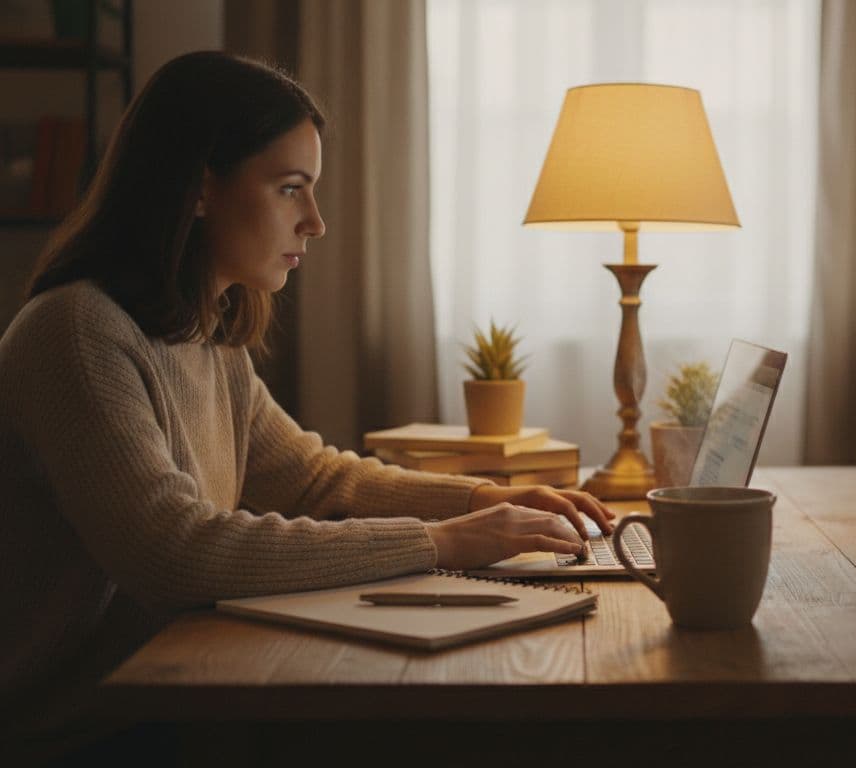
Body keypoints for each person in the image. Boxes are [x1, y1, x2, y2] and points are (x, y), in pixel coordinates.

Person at [0, 51, 613, 740]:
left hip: (158, 696)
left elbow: (312, 477)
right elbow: (173, 555)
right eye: (291, 187)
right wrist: (443, 541)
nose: (315, 220)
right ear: (199, 189)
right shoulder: (77, 333)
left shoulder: (206, 331)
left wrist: (482, 499)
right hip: (62, 721)